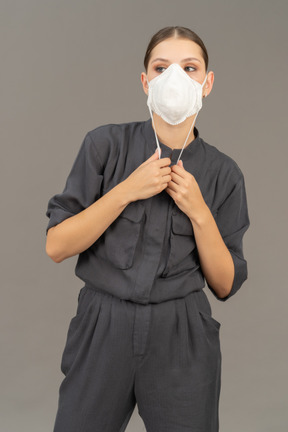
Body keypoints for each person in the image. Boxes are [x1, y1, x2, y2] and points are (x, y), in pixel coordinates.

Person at [45, 26, 250, 432]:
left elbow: (225, 285)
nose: (175, 77)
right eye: (161, 67)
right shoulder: (105, 145)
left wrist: (200, 212)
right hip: (103, 326)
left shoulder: (224, 174)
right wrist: (125, 191)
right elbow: (56, 245)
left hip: (182, 332)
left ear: (207, 83)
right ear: (145, 81)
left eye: (189, 67)